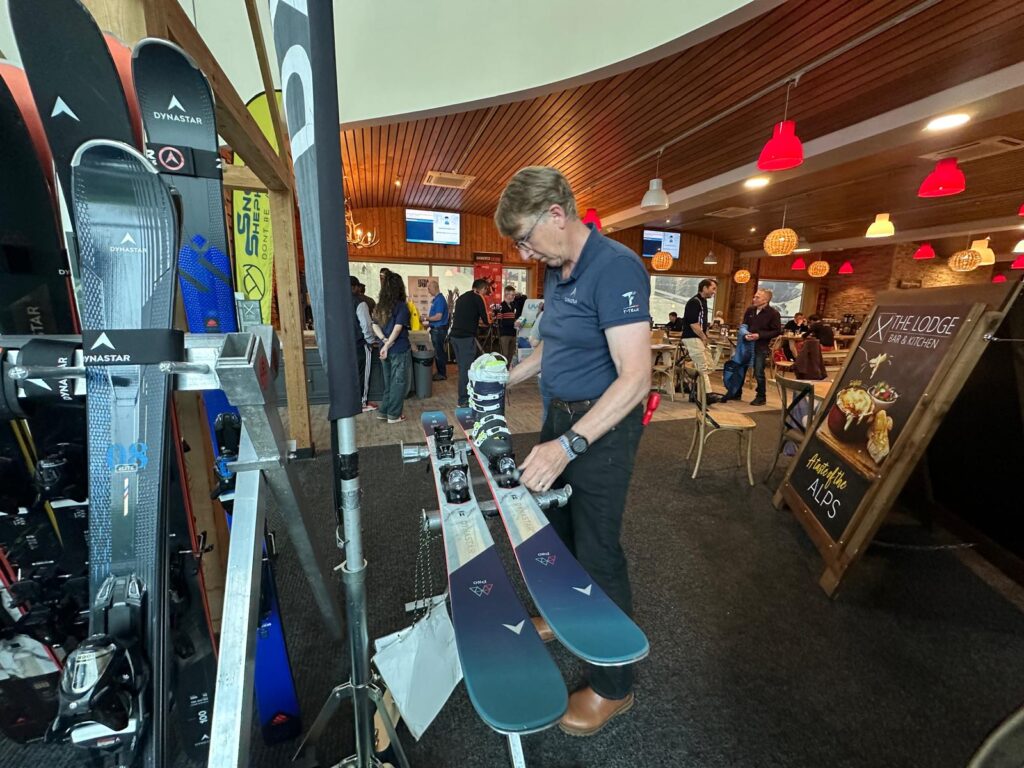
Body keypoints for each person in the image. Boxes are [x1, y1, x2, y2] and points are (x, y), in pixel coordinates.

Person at [495, 166, 651, 736]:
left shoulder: (615, 268)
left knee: (597, 549)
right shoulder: (559, 272)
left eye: (526, 238)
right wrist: (507, 378)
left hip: (602, 428)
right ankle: (564, 617)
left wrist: (568, 445)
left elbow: (636, 378)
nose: (524, 250)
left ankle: (615, 687)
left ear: (556, 215)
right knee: (551, 534)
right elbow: (552, 347)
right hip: (561, 416)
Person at [373, 272, 411, 424]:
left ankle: (384, 411)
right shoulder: (401, 306)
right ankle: (394, 415)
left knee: (389, 382)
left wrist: (383, 342)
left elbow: (374, 325)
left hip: (384, 349)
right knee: (398, 382)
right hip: (398, 348)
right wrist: (389, 344)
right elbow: (397, 328)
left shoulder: (380, 306)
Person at [450, 278, 491, 407]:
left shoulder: (462, 297)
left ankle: (469, 394)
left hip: (455, 337)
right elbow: (486, 320)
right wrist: (491, 319)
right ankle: (463, 400)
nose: (485, 293)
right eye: (486, 290)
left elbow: (465, 316)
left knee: (464, 367)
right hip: (465, 338)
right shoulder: (478, 297)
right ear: (482, 289)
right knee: (466, 369)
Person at [741, 288, 782, 406]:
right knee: (741, 368)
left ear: (766, 299)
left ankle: (761, 396)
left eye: (757, 297)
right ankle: (736, 391)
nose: (754, 299)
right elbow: (745, 324)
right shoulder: (750, 310)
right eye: (754, 297)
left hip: (761, 345)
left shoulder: (773, 314)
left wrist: (760, 335)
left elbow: (777, 331)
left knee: (758, 371)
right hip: (747, 343)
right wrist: (745, 333)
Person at [681, 278, 719, 400]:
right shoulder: (694, 302)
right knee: (702, 366)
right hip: (692, 337)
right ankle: (706, 394)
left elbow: (703, 322)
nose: (714, 292)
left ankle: (694, 388)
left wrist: (705, 336)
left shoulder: (703, 302)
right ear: (704, 288)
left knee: (709, 365)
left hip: (699, 337)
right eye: (713, 289)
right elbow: (693, 323)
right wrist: (703, 337)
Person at [350, 276, 379, 413]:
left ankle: (351, 401)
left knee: (350, 374)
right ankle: (362, 402)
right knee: (363, 373)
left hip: (345, 345)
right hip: (360, 343)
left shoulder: (338, 302)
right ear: (355, 287)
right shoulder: (360, 303)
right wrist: (370, 340)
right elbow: (366, 325)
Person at [425, 278, 449, 381]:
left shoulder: (440, 299)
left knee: (439, 352)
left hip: (439, 331)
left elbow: (438, 317)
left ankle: (442, 374)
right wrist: (429, 324)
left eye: (429, 288)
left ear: (435, 288)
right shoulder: (437, 299)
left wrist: (426, 318)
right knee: (438, 352)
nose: (428, 291)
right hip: (436, 329)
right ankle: (440, 372)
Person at [497, 285, 518, 364]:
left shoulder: (512, 306)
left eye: (514, 295)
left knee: (511, 354)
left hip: (513, 333)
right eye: (511, 295)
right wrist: (513, 323)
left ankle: (507, 371)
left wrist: (515, 322)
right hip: (505, 334)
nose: (513, 296)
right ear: (506, 295)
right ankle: (502, 371)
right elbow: (500, 322)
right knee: (504, 355)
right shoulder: (501, 306)